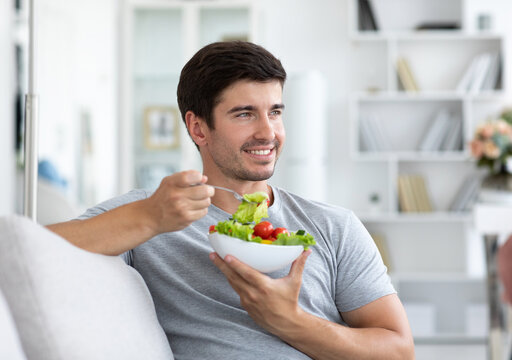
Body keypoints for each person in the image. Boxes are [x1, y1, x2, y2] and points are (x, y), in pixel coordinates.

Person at [48, 41, 414, 359]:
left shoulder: (335, 226)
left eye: (275, 112)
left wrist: (292, 322)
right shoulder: (155, 212)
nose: (268, 132)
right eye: (244, 114)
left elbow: (399, 351)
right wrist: (148, 218)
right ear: (198, 128)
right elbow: (32, 247)